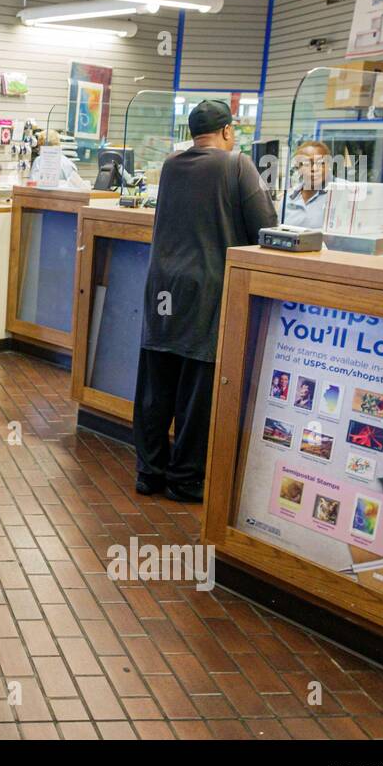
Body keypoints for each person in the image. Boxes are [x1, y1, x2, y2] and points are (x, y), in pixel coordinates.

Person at [134, 99, 277, 503]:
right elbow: (266, 228)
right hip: (207, 289)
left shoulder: (170, 165)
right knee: (197, 386)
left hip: (162, 285)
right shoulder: (238, 166)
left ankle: (149, 472)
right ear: (228, 131)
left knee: (156, 381)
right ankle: (185, 479)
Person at [284, 139, 333, 230]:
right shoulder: (288, 199)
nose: (314, 168)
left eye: (320, 163)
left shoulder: (341, 192)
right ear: (298, 168)